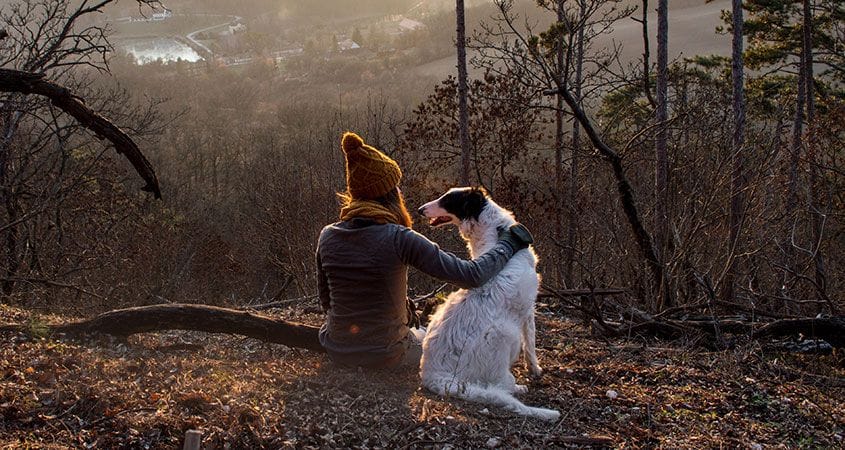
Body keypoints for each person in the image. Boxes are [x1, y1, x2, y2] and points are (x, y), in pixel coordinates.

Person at [316, 132, 533, 369]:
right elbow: (472, 276)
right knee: (432, 344)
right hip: (386, 355)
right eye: (395, 187)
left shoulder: (328, 235)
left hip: (336, 349)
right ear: (388, 194)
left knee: (415, 330)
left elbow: (327, 302)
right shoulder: (399, 238)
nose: (400, 193)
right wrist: (507, 244)